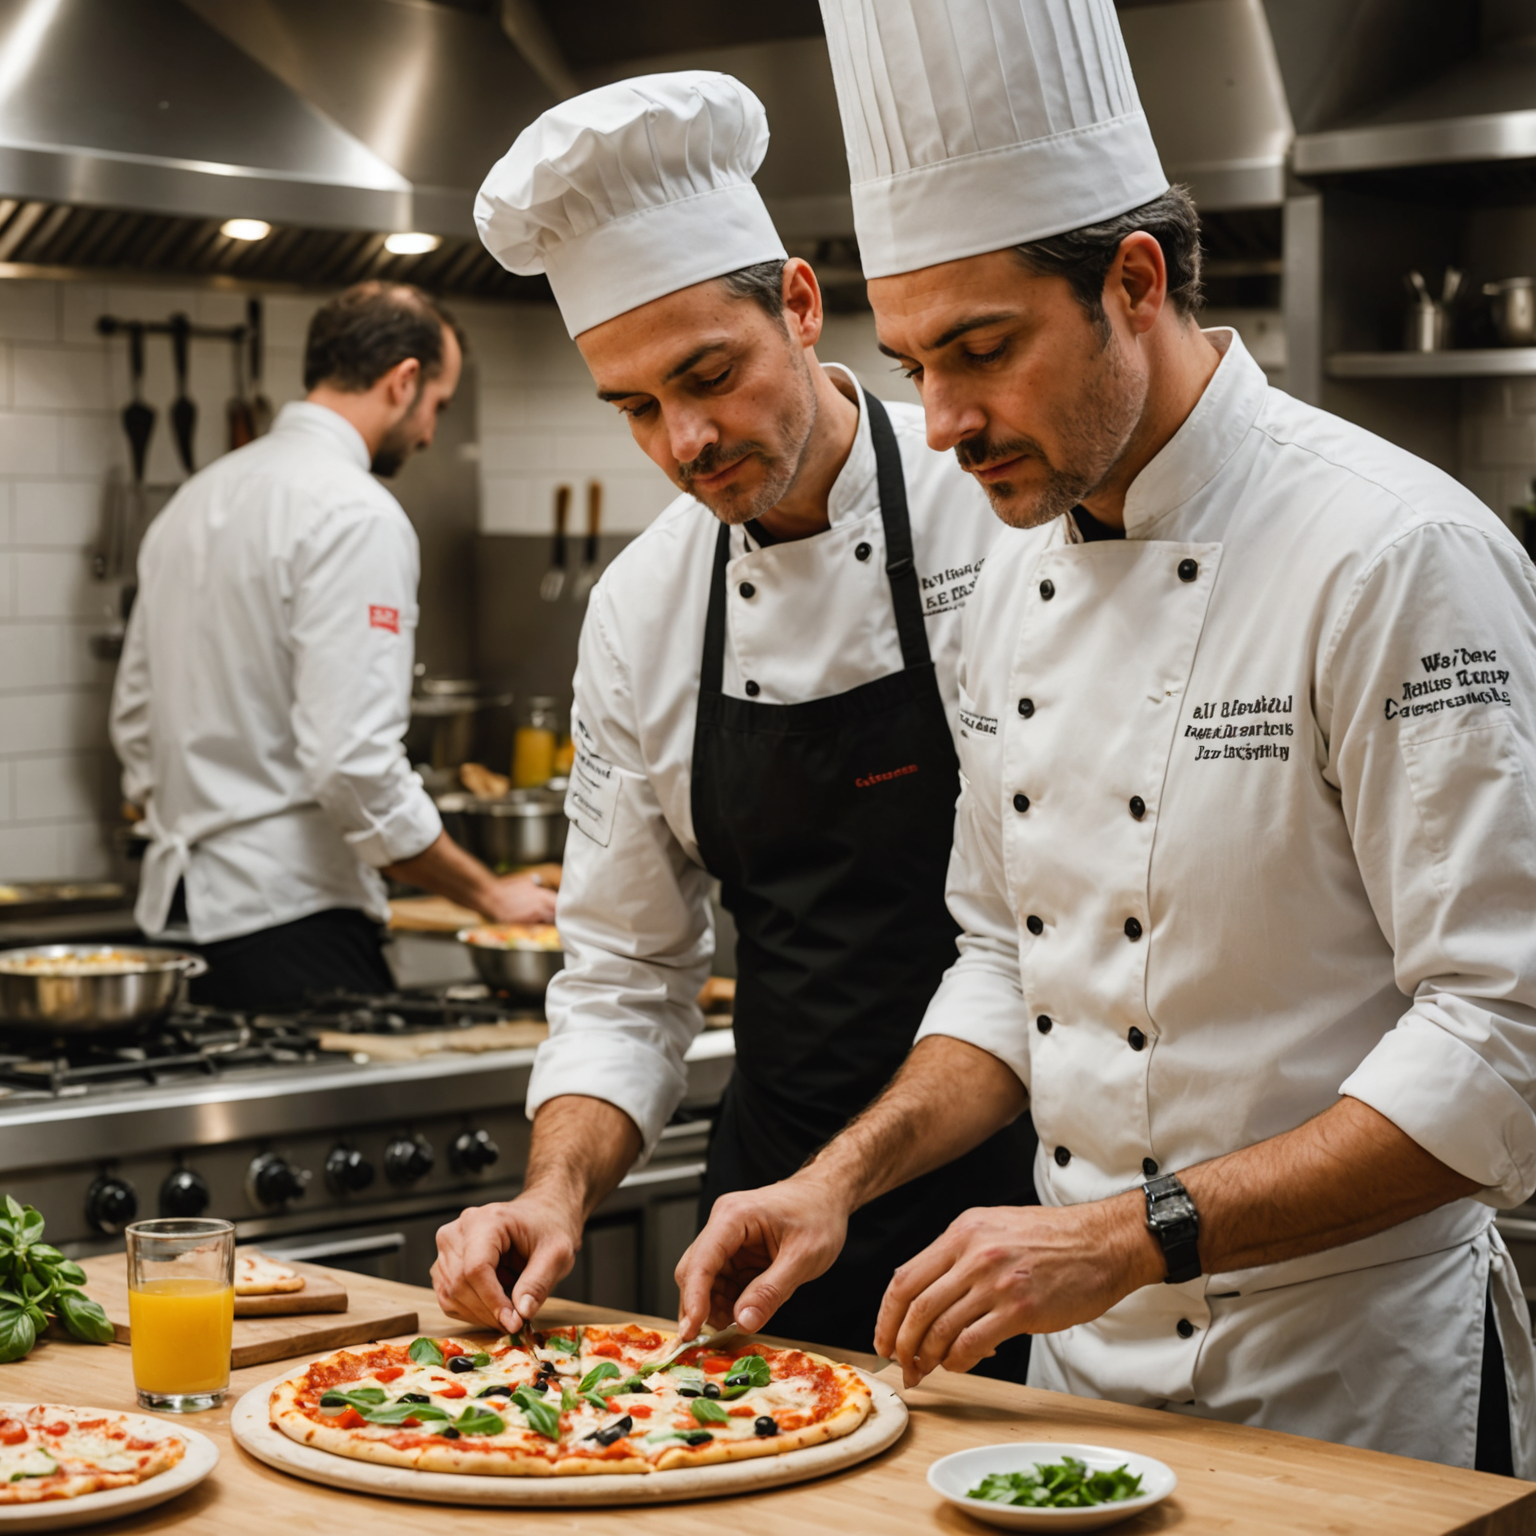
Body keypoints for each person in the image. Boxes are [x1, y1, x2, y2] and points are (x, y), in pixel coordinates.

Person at [674, 0, 1536, 1475]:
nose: (938, 420)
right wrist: (837, 1180)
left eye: (982, 350)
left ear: (1134, 281)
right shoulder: (1014, 576)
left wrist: (1126, 1236)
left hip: (1350, 1384)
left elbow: (1503, 1040)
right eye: (913, 362)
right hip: (1071, 1384)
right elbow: (1012, 962)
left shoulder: (1392, 556)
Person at [430, 71, 1036, 1366]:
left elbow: (1050, 940)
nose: (686, 442)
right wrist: (557, 1188)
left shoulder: (998, 520)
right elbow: (625, 974)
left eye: (710, 375)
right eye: (637, 408)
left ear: (802, 308)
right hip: (763, 1230)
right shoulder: (643, 606)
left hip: (1020, 1215)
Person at [110, 281, 554, 1011]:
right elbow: (353, 764)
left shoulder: (193, 501)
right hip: (294, 923)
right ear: (403, 380)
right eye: (438, 404)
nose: (431, 433)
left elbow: (134, 724)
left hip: (181, 926)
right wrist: (487, 892)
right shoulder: (356, 513)